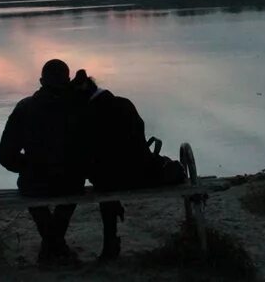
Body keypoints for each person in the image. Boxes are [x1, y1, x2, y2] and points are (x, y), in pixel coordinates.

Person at [72, 69, 185, 261]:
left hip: (108, 182)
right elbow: (139, 148)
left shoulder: (86, 115)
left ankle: (110, 243)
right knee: (167, 168)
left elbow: (85, 156)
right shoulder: (123, 104)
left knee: (104, 182)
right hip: (140, 177)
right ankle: (110, 240)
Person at [0, 59, 86, 264]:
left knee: (31, 187)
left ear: (41, 81)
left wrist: (27, 167)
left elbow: (4, 155)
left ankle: (51, 243)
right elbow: (89, 150)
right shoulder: (78, 108)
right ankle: (55, 243)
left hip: (35, 182)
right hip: (69, 182)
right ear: (68, 80)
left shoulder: (25, 108)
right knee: (74, 185)